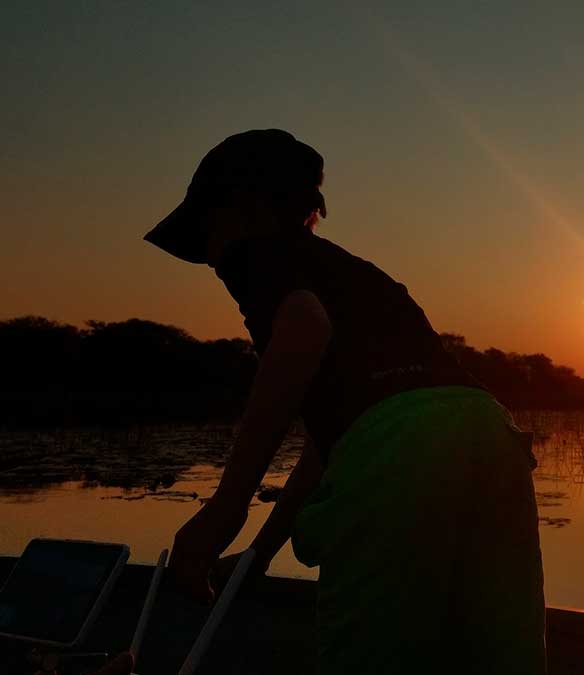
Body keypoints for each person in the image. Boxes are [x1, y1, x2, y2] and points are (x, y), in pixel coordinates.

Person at [145, 129, 546, 674]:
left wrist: (226, 507)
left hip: (397, 451)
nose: (211, 256)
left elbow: (304, 328)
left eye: (207, 233)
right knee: (498, 650)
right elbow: (334, 442)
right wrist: (260, 553)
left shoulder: (255, 254)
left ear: (241, 211)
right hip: (489, 432)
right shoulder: (360, 275)